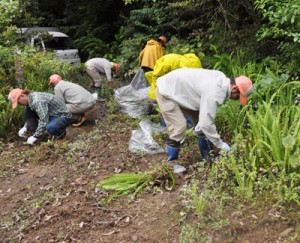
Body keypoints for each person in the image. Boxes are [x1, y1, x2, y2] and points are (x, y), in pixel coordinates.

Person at [156, 68, 253, 173]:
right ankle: (171, 163)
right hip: (166, 90)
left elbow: (203, 123)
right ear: (234, 88)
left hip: (182, 91)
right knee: (179, 127)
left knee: (200, 122)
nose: (236, 98)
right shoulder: (215, 92)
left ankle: (207, 156)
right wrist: (220, 144)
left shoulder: (221, 79)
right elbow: (206, 124)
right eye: (238, 96)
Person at [8, 88, 73, 145]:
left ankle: (62, 135)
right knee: (28, 111)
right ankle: (37, 134)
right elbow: (33, 116)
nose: (19, 104)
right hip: (51, 114)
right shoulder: (30, 99)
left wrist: (35, 136)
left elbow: (44, 120)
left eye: (18, 102)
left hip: (62, 116)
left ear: (22, 96)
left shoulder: (37, 101)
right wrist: (25, 127)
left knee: (51, 127)